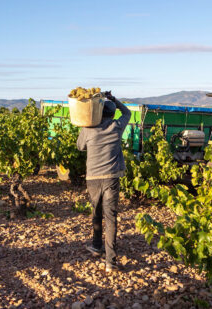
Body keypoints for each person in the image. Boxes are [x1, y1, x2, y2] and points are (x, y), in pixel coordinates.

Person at [76, 91, 131, 272]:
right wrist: (114, 98)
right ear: (113, 114)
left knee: (96, 213)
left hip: (93, 178)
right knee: (111, 218)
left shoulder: (88, 129)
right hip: (111, 178)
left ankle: (96, 246)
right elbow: (127, 113)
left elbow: (80, 147)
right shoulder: (117, 126)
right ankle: (110, 261)